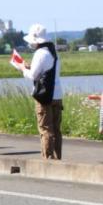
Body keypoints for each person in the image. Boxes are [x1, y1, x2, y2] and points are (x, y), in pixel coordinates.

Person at [20, 23, 63, 159]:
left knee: (45, 129)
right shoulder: (53, 52)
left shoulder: (40, 53)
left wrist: (23, 69)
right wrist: (30, 68)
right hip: (57, 94)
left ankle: (48, 160)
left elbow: (33, 76)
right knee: (56, 129)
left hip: (44, 96)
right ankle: (58, 158)